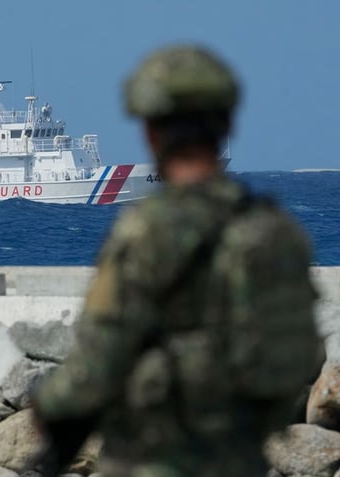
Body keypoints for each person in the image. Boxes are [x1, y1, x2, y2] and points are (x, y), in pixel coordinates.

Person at [32, 45, 322, 476]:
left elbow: (96, 362)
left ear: (149, 132)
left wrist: (47, 408)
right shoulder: (278, 233)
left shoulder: (144, 232)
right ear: (227, 123)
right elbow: (302, 356)